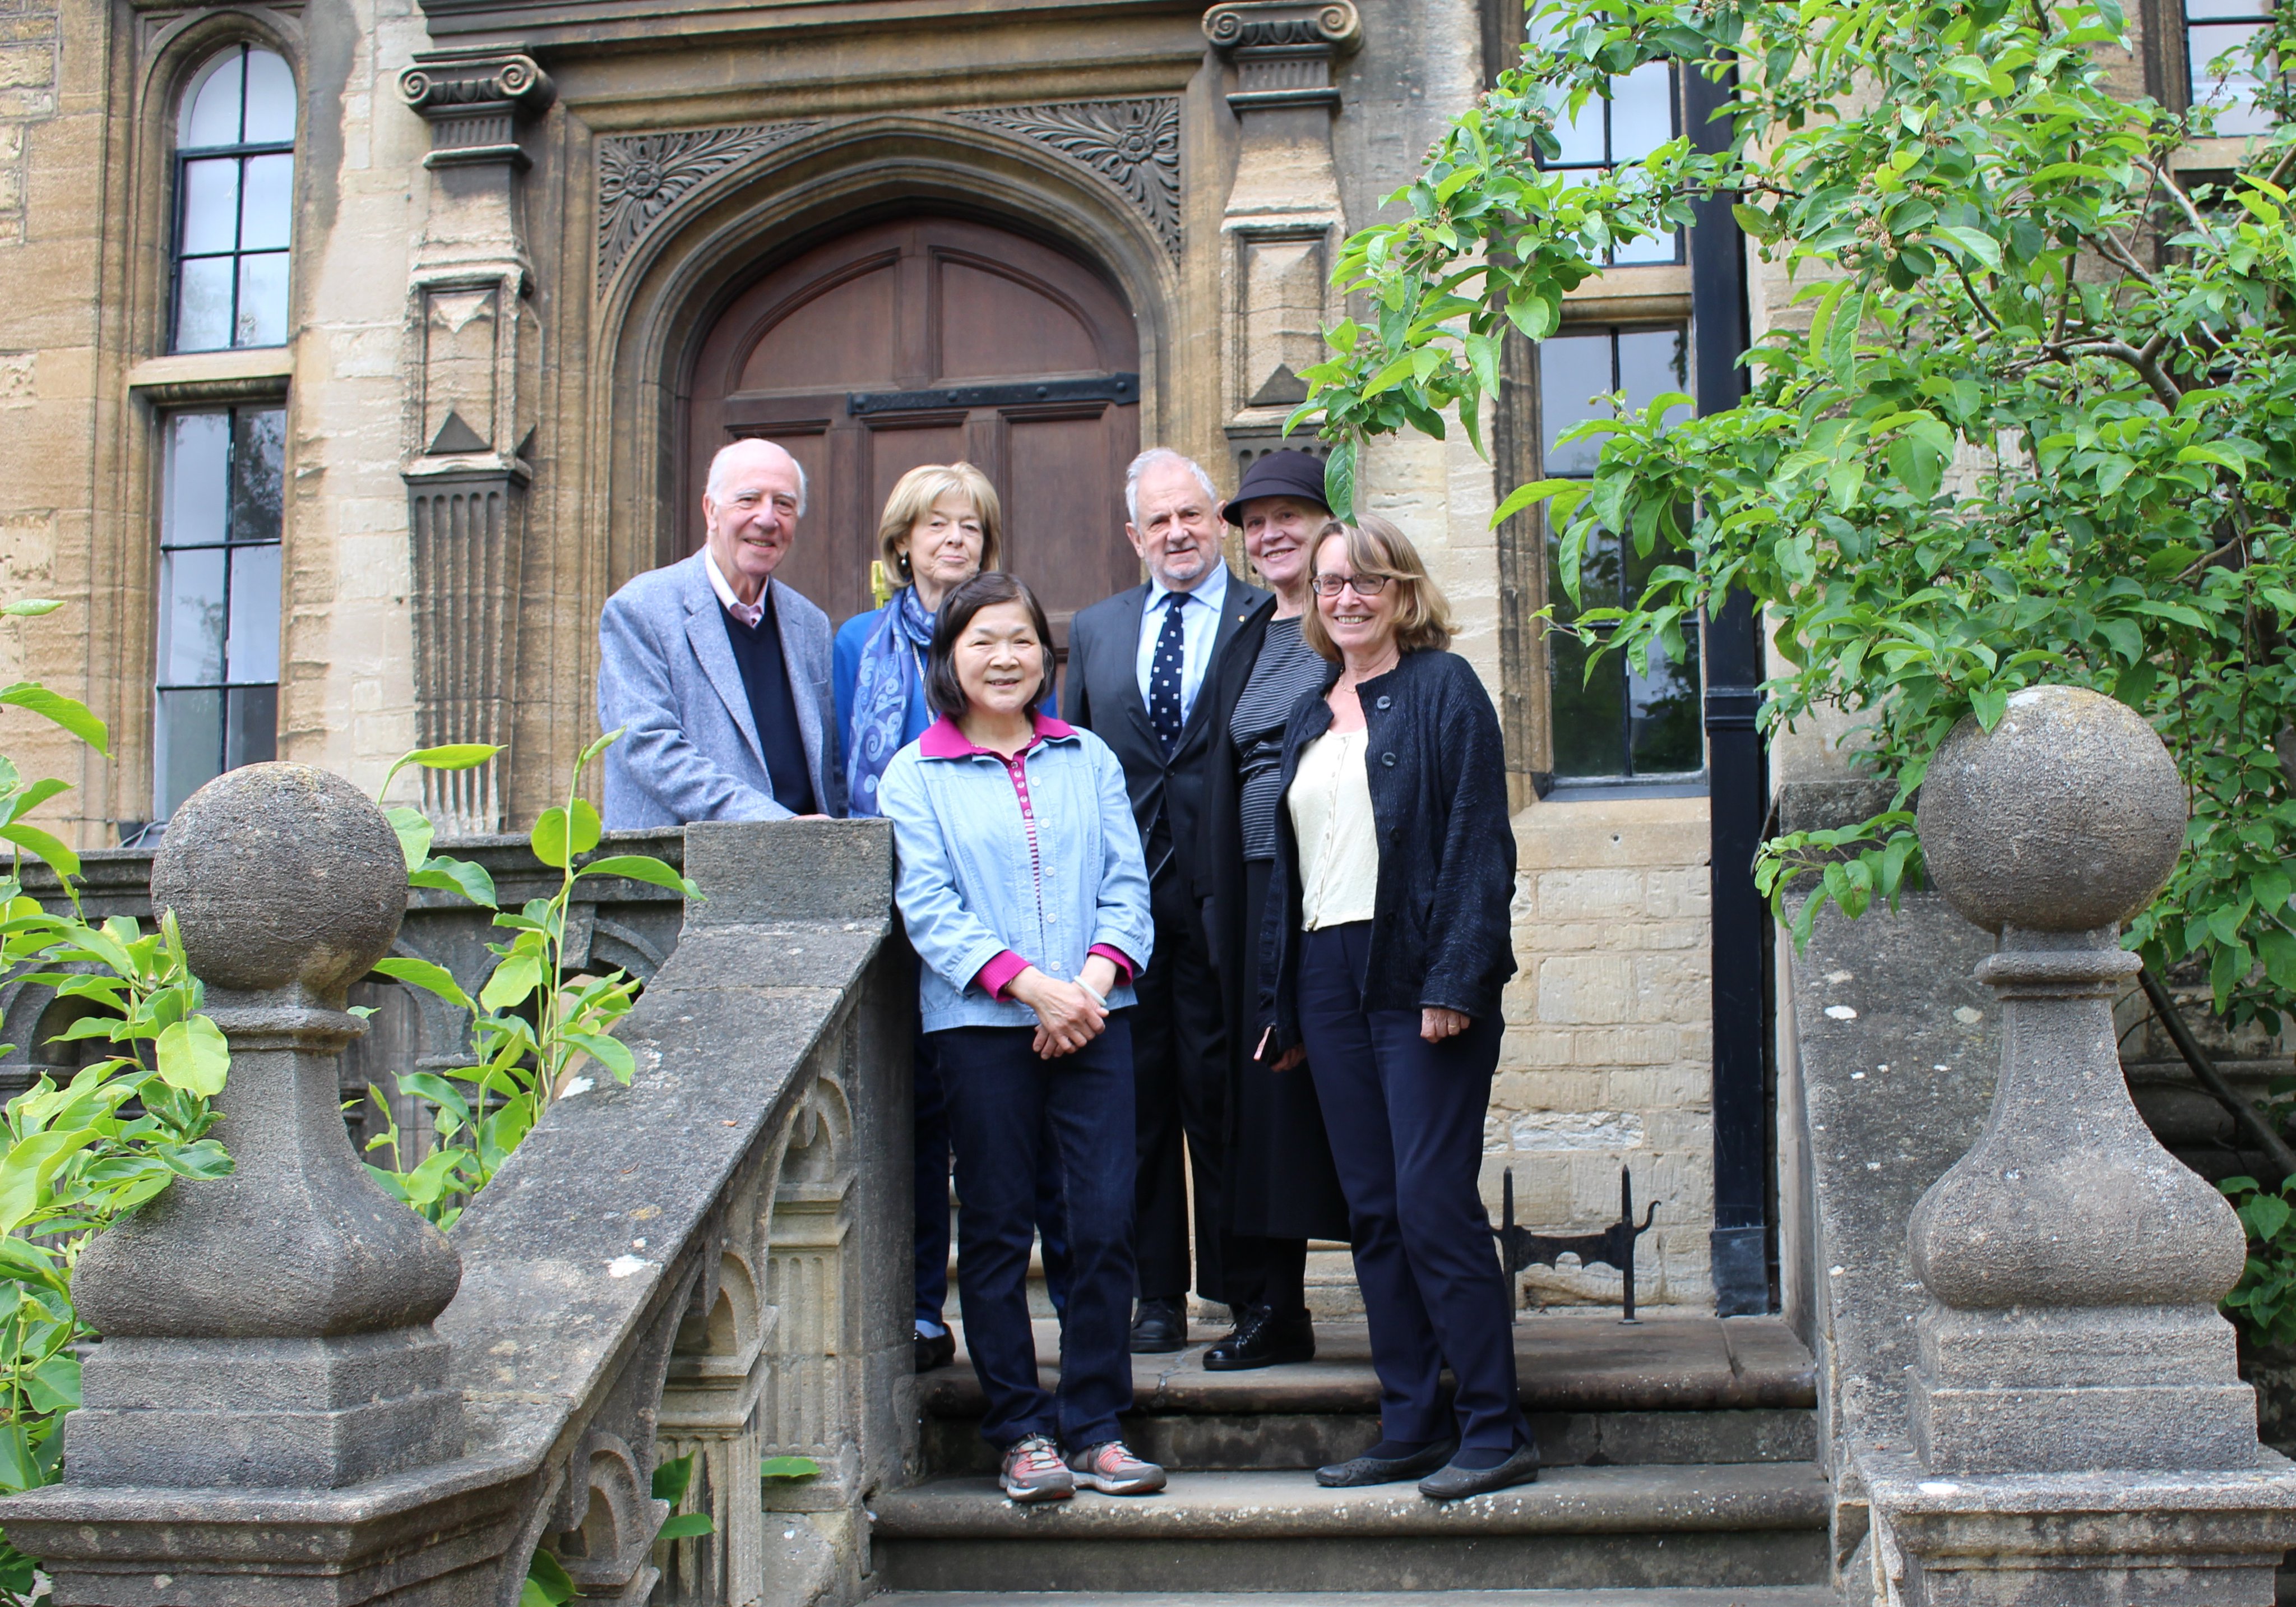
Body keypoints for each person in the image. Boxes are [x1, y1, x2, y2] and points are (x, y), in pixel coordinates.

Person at [1257, 515, 1534, 1500]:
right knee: (1372, 1210)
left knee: (1430, 1203)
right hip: (1327, 977)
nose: (1345, 598)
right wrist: (1282, 1007)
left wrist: (1455, 980)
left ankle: (1495, 1429)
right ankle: (1412, 1421)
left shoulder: (1442, 690)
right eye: (1331, 583)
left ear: (1402, 589)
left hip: (1415, 971)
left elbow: (1477, 845)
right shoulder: (1307, 710)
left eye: (1366, 581)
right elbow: (1288, 875)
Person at [878, 571, 1164, 1505]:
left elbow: (1128, 887)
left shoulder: (1086, 757)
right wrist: (1030, 987)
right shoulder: (914, 773)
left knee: (1102, 1222)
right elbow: (928, 907)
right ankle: (1020, 1430)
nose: (1004, 658)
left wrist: (1084, 988)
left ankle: (1095, 1424)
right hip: (980, 1028)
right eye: (982, 642)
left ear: (1047, 655)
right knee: (998, 1230)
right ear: (948, 661)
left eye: (1021, 640)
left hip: (1095, 1018)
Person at [1064, 448, 1267, 1354]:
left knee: (1224, 1096)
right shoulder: (1098, 631)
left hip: (1231, 901)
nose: (1178, 534)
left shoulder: (1268, 619)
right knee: (1136, 1104)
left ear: (1216, 518)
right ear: (1133, 535)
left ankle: (1240, 1284)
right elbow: (1073, 763)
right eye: (1160, 521)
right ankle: (1157, 1295)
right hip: (1126, 912)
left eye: (1192, 515)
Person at [830, 461, 1024, 1375]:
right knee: (899, 1115)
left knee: (974, 1115)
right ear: (901, 541)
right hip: (880, 920)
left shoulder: (1007, 649)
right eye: (937, 525)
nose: (954, 540)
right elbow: (836, 775)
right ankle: (909, 1308)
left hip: (982, 922)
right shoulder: (854, 646)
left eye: (972, 528)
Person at [1193, 450, 1351, 1371]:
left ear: (1326, 522)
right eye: (1255, 522)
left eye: (1289, 513)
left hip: (1331, 887)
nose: (1271, 533)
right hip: (1251, 889)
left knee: (1342, 1097)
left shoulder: (1350, 620)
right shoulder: (1247, 635)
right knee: (1260, 1103)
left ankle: (1407, 1309)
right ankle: (1272, 1308)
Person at [598, 437, 842, 828]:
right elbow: (651, 748)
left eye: (784, 504)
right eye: (748, 500)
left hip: (804, 870)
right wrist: (773, 824)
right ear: (711, 510)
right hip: (682, 874)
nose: (767, 518)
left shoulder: (810, 624)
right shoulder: (640, 610)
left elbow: (830, 766)